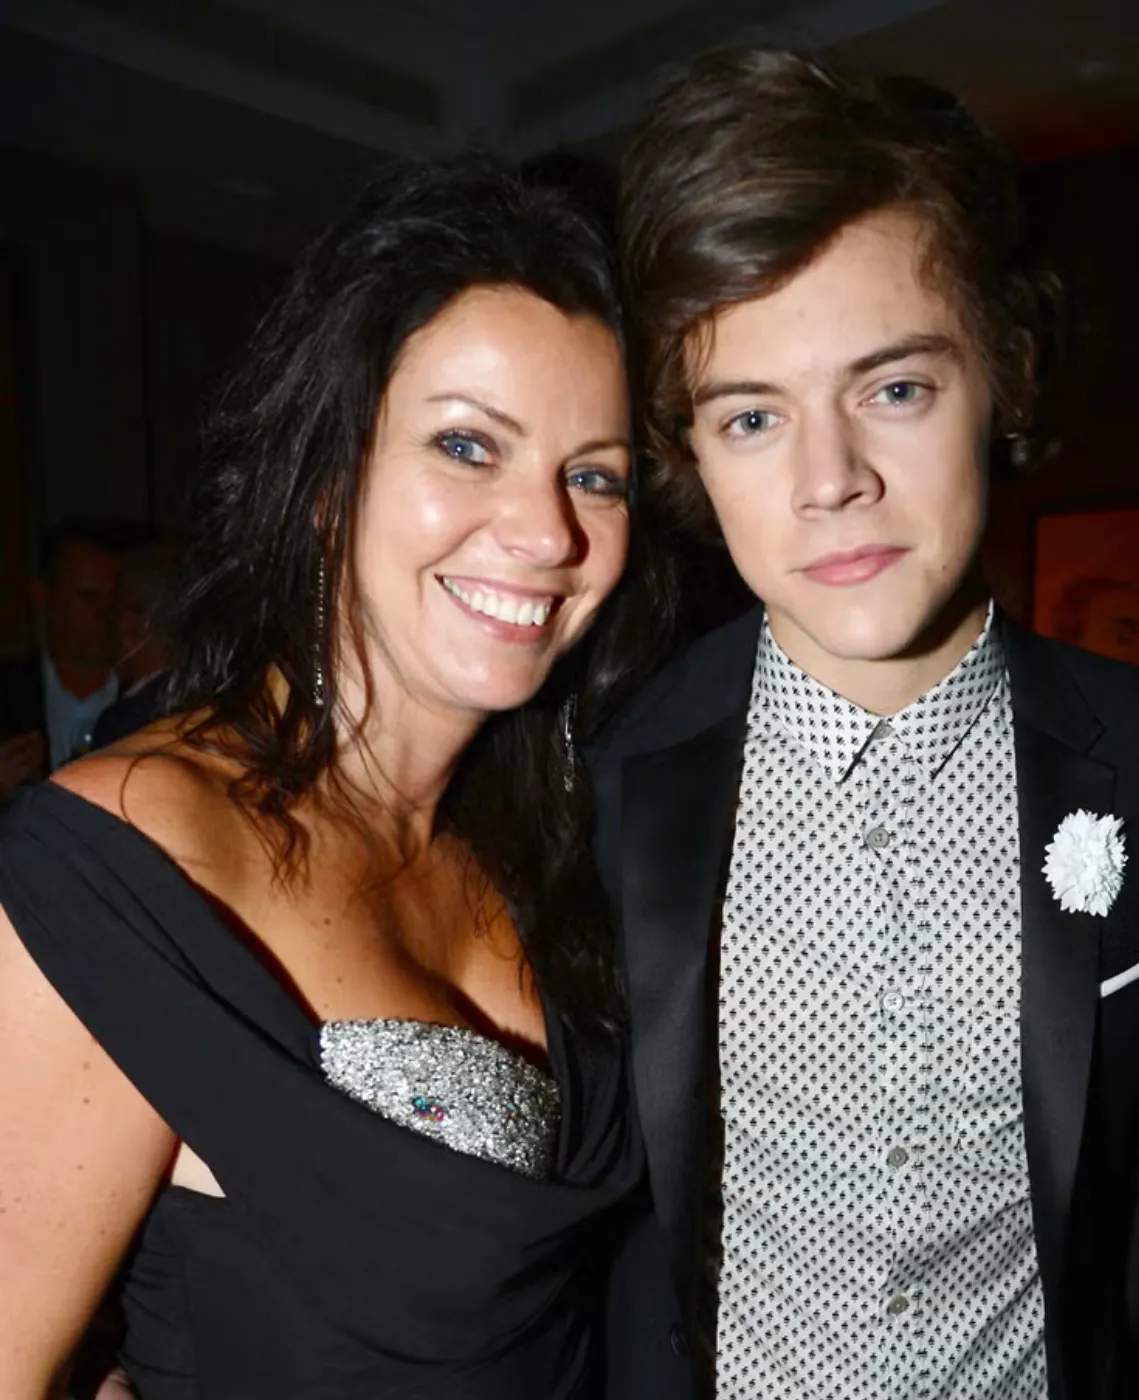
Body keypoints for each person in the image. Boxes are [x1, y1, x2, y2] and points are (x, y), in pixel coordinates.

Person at [590, 48, 1139, 1400]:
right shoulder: (599, 771)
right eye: (753, 416)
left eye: (894, 389)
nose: (830, 479)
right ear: (688, 450)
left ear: (1000, 374)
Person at [0, 152, 673, 1398]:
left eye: (594, 474)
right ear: (323, 478)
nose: (548, 532)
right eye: (467, 444)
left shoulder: (545, 830)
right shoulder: (123, 858)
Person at [0, 520, 128, 798]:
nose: (105, 614)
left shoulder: (153, 703)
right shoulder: (8, 693)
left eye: (115, 599)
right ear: (44, 596)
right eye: (88, 597)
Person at [91, 542, 180, 749]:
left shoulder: (123, 724)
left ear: (131, 626)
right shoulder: (218, 710)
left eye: (111, 613)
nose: (104, 626)